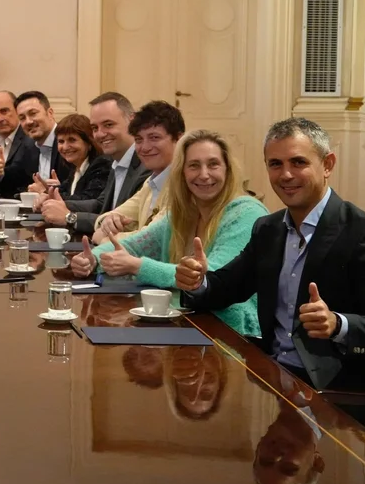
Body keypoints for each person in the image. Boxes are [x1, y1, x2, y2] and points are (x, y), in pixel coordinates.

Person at [175, 117, 365, 443]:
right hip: (272, 382)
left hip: (338, 400)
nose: (285, 174)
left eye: (298, 162)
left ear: (327, 164)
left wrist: (337, 324)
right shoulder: (268, 230)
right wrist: (197, 281)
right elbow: (225, 288)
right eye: (275, 164)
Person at [70, 130, 267, 336]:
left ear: (228, 169)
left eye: (213, 164)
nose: (204, 174)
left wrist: (138, 266)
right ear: (182, 173)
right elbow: (132, 246)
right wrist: (92, 258)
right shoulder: (182, 214)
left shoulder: (247, 214)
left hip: (235, 333)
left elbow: (214, 278)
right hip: (184, 322)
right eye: (194, 165)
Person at [39, 92, 149, 235]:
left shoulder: (146, 166)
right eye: (95, 128)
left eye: (108, 125)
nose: (100, 134)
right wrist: (57, 203)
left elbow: (126, 224)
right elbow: (100, 204)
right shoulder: (117, 162)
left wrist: (70, 217)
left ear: (132, 122)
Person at [93, 100, 186, 243]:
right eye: (138, 140)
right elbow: (105, 218)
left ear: (179, 139)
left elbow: (151, 241)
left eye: (154, 138)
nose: (145, 147)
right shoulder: (151, 182)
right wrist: (110, 220)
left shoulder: (185, 184)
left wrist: (104, 237)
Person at [44, 113, 110, 201]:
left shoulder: (102, 165)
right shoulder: (75, 168)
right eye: (61, 141)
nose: (65, 147)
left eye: (72, 140)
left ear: (89, 143)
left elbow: (86, 201)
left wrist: (49, 196)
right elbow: (63, 193)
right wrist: (46, 191)